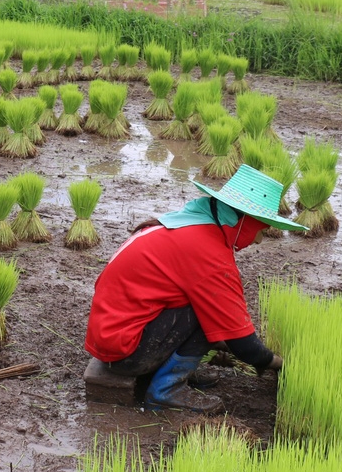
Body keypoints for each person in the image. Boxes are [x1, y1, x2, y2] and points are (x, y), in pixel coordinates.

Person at [83, 165, 309, 414]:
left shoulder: (189, 223)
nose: (258, 240)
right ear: (243, 221)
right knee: (210, 309)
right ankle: (165, 390)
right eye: (260, 229)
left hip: (111, 336)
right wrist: (277, 363)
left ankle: (174, 371)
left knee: (206, 305)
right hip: (126, 354)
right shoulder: (207, 252)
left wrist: (222, 344)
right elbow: (241, 340)